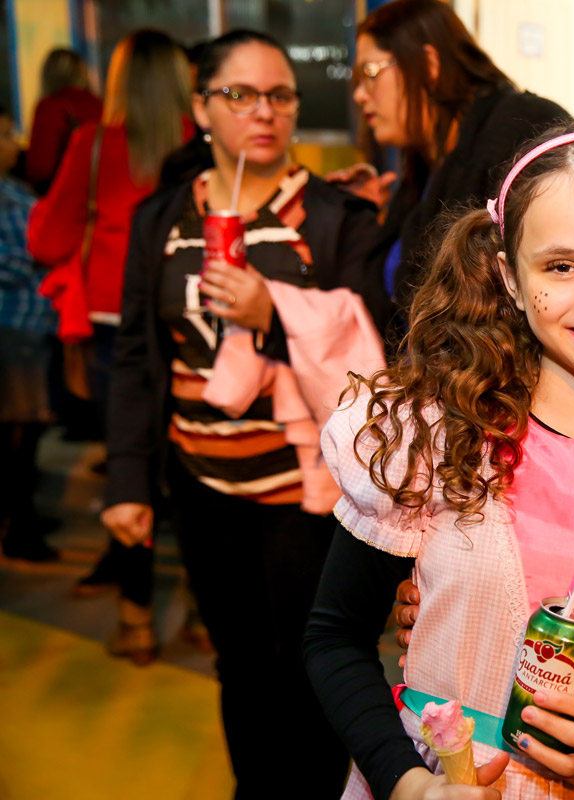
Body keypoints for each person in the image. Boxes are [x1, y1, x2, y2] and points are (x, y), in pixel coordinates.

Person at [304, 107, 574, 799]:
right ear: (510, 279)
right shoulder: (435, 437)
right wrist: (409, 783)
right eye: (561, 266)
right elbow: (335, 638)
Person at [102, 29, 386, 798]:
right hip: (200, 481)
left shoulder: (334, 217)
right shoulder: (164, 218)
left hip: (303, 492)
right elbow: (138, 354)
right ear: (201, 108)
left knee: (312, 665)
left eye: (280, 96)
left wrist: (272, 315)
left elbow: (372, 351)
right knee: (238, 662)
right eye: (241, 95)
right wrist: (127, 478)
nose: (265, 112)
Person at [26, 29, 193, 656]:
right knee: (192, 471)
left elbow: (47, 241)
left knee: (130, 467)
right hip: (187, 320)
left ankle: (135, 619)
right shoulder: (200, 146)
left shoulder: (94, 144)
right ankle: (204, 614)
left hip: (110, 323)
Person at [338, 0, 569, 321]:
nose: (360, 94)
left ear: (428, 64)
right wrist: (360, 216)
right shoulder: (426, 166)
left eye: (370, 73)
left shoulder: (521, 127)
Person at [0, 105, 59, 562]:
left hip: (30, 325)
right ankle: (19, 527)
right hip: (13, 327)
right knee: (16, 435)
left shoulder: (13, 189)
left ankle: (24, 515)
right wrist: (42, 254)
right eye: (4, 135)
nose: (13, 145)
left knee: (28, 430)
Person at [24, 48, 102, 195]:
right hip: (102, 189)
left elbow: (40, 168)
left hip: (66, 193)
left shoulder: (50, 107)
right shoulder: (100, 106)